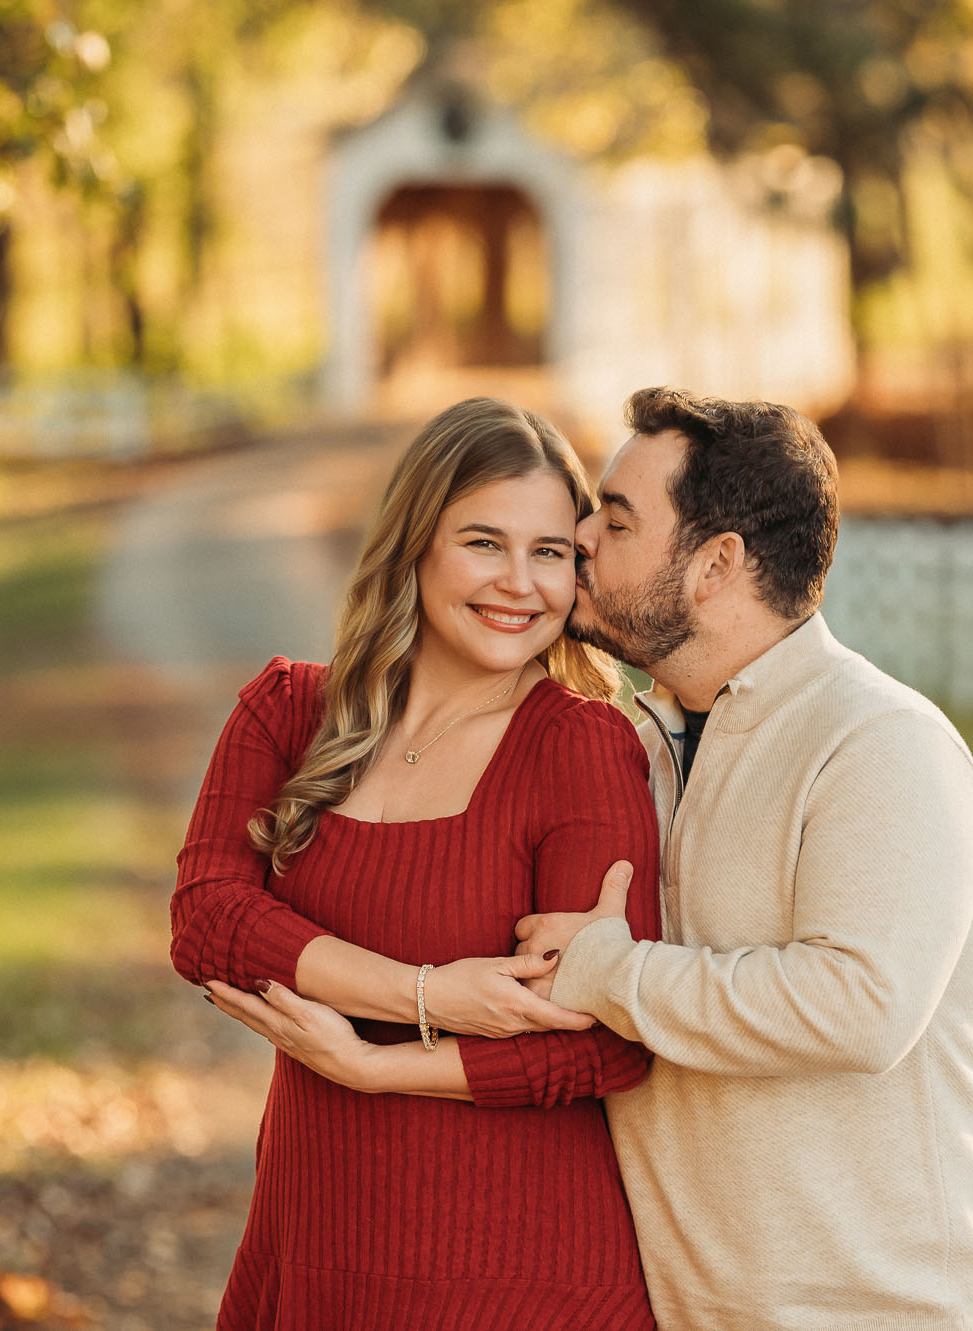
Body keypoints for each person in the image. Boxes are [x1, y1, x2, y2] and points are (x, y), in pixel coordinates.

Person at [512, 386, 973, 1329]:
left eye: (616, 519)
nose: (579, 535)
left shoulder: (880, 742)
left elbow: (861, 1007)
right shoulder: (630, 742)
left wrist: (609, 973)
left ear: (716, 565)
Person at [169, 397, 662, 1331]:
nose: (520, 583)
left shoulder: (580, 748)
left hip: (522, 1281)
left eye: (551, 552)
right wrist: (426, 995)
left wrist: (373, 1064)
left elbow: (604, 1040)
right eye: (485, 542)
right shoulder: (288, 713)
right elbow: (207, 920)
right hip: (319, 1245)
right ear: (415, 546)